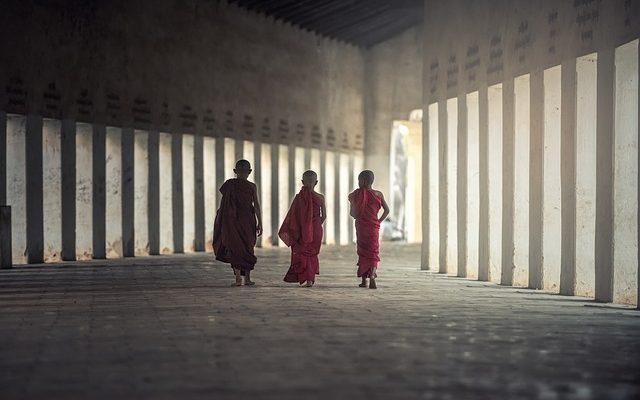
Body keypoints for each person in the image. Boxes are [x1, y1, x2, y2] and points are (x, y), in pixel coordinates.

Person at [213, 159, 263, 286]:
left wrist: (260, 222)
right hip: (237, 221)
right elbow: (225, 205)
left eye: (244, 172)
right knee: (239, 248)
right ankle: (241, 279)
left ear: (249, 172)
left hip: (242, 220)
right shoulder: (232, 185)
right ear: (235, 171)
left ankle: (244, 278)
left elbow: (256, 204)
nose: (242, 174)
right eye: (240, 172)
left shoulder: (249, 186)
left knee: (245, 248)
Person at [279, 170, 326, 287]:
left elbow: (293, 215)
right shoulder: (320, 197)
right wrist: (315, 225)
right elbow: (324, 216)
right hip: (316, 229)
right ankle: (310, 279)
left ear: (302, 182)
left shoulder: (299, 197)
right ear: (316, 182)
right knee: (312, 253)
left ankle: (306, 278)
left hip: (301, 229)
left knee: (303, 253)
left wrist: (303, 227)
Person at [348, 170, 389, 289]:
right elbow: (387, 210)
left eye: (359, 180)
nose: (358, 183)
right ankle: (372, 275)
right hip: (373, 227)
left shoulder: (356, 195)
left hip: (361, 227)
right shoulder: (378, 194)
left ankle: (363, 281)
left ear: (363, 181)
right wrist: (378, 221)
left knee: (363, 252)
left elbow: (353, 213)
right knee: (373, 252)